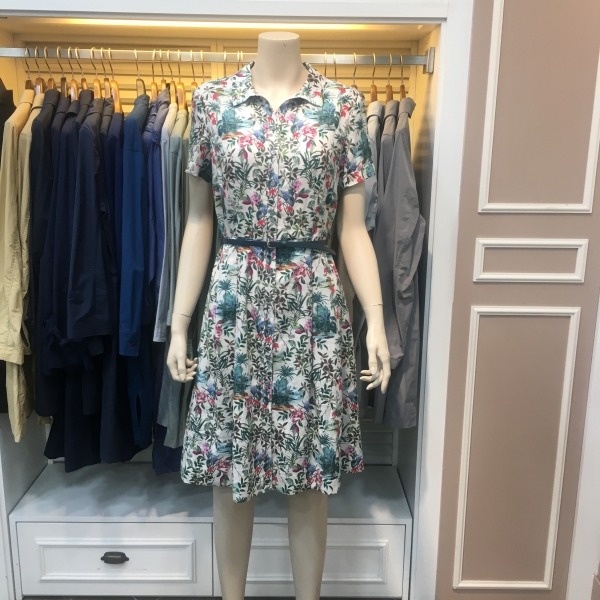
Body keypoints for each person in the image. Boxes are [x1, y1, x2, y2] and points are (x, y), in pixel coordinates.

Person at [167, 31, 390, 600]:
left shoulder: (343, 105)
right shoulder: (211, 102)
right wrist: (179, 322)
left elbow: (352, 229)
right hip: (234, 303)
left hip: (313, 301)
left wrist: (376, 319)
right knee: (229, 471)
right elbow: (199, 221)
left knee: (309, 472)